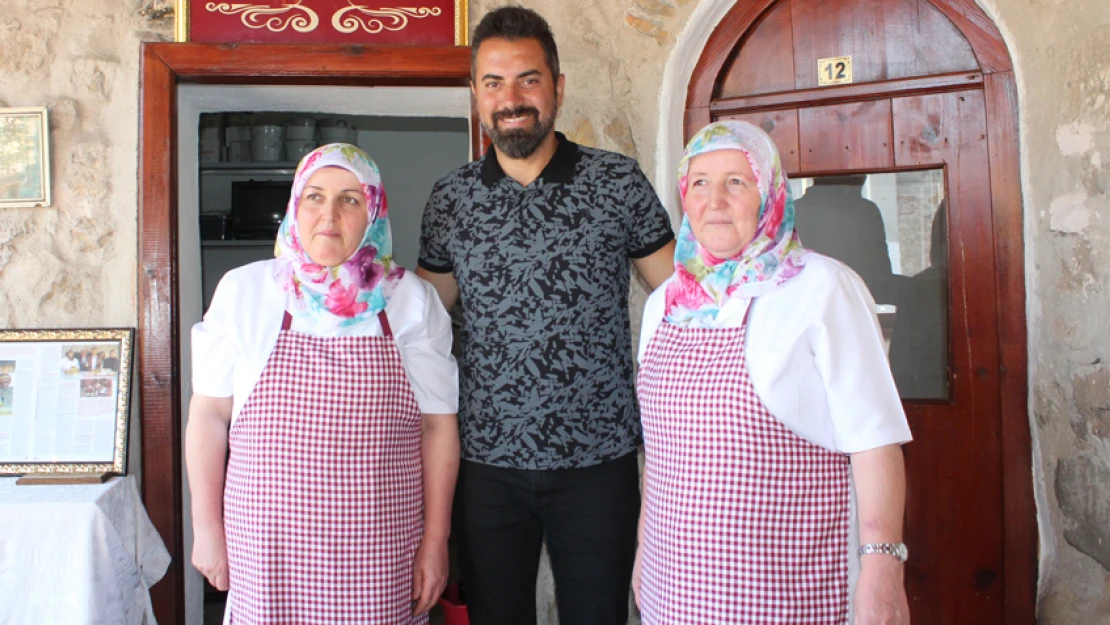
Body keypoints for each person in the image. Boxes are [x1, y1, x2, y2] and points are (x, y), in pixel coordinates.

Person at [416, 7, 676, 624]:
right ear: (475, 94)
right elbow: (419, 321)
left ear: (558, 86)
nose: (512, 99)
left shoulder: (617, 183)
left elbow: (685, 300)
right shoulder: (450, 199)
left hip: (599, 464)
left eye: (529, 79)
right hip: (485, 467)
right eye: (493, 83)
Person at [634, 121, 912, 624]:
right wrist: (641, 554)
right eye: (700, 182)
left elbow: (875, 443)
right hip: (673, 587)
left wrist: (883, 571)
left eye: (736, 181)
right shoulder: (663, 304)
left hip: (787, 591)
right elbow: (661, 454)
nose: (714, 200)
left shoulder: (824, 288)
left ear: (770, 193)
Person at [185, 143, 460, 624]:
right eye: (314, 196)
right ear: (295, 206)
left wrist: (435, 542)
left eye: (350, 199)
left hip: (379, 553)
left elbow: (438, 428)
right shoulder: (243, 292)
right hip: (269, 552)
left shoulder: (410, 303)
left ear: (373, 210)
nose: (328, 215)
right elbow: (208, 417)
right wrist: (206, 528)